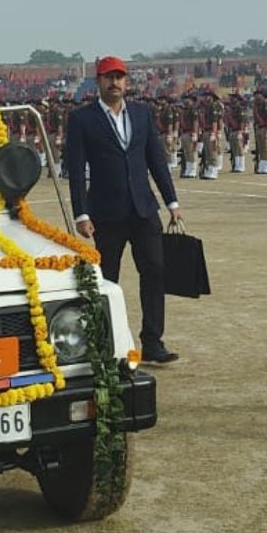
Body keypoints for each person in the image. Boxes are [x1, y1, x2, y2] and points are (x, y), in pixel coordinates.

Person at [62, 56, 182, 364]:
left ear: (126, 81)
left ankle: (153, 341)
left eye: (119, 77)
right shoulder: (82, 119)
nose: (114, 83)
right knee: (108, 278)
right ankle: (106, 343)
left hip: (143, 209)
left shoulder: (142, 114)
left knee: (155, 272)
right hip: (105, 212)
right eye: (108, 77)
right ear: (97, 81)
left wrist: (172, 202)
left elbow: (156, 158)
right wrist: (82, 214)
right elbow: (76, 170)